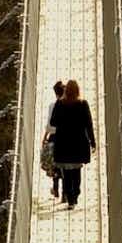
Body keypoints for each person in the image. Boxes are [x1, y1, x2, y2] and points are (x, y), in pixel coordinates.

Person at [48, 76, 95, 209]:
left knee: (67, 173)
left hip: (63, 143)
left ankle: (70, 200)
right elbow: (89, 124)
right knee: (76, 171)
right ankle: (76, 195)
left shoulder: (59, 104)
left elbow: (53, 122)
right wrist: (93, 142)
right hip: (79, 143)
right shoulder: (83, 104)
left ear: (66, 91)